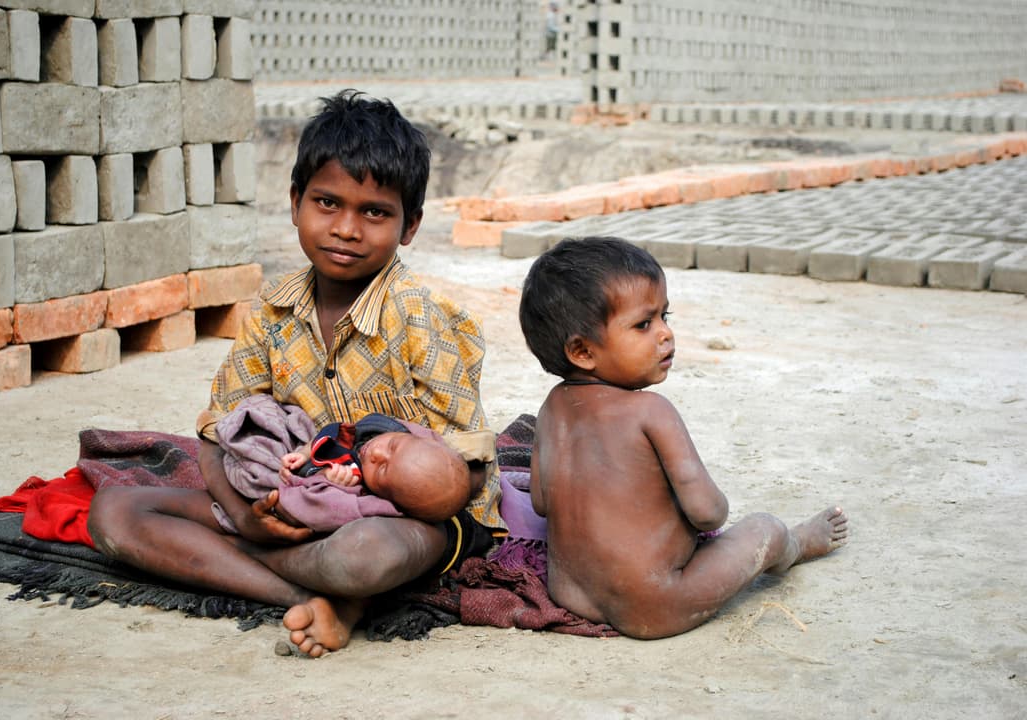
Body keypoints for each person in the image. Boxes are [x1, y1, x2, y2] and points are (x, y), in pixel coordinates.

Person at [88, 90, 505, 657]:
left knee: (364, 556)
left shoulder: (421, 319)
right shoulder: (274, 312)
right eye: (327, 203)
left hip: (398, 522)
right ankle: (318, 596)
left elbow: (468, 474)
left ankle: (336, 586)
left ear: (410, 226)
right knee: (115, 512)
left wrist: (374, 496)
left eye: (374, 212)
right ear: (295, 203)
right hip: (282, 509)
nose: (346, 229)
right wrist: (247, 517)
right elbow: (219, 429)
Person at [517, 237, 849, 639]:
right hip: (655, 604)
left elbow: (540, 501)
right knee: (764, 528)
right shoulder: (651, 410)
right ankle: (795, 545)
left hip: (570, 594)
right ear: (583, 352)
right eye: (643, 324)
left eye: (664, 317)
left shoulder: (551, 408)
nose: (665, 334)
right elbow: (709, 513)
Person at [212, 393, 473, 532]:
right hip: (307, 448)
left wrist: (331, 483)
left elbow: (313, 507)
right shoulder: (402, 433)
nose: (376, 453)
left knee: (255, 461)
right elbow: (335, 436)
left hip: (297, 480)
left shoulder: (359, 493)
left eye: (381, 470)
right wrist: (305, 451)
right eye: (393, 446)